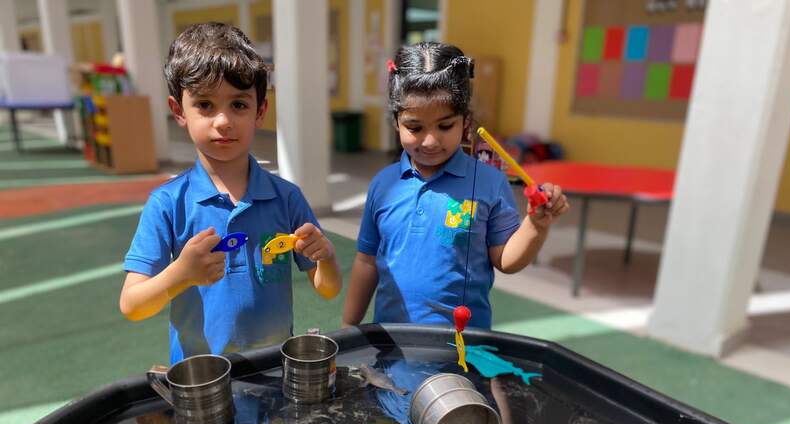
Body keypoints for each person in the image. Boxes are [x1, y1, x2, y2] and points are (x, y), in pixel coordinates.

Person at [120, 23, 341, 363]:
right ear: (179, 110)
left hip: (275, 369)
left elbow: (327, 288)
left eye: (238, 105)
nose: (223, 121)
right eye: (205, 105)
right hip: (201, 378)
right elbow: (132, 305)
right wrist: (181, 274)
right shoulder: (167, 204)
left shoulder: (286, 198)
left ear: (260, 111)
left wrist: (324, 256)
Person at [342, 42, 568, 329]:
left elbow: (506, 260)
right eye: (415, 127)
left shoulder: (489, 183)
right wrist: (348, 328)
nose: (430, 141)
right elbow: (367, 262)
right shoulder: (383, 185)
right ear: (396, 123)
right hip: (391, 343)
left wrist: (536, 225)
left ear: (466, 123)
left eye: (445, 126)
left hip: (465, 348)